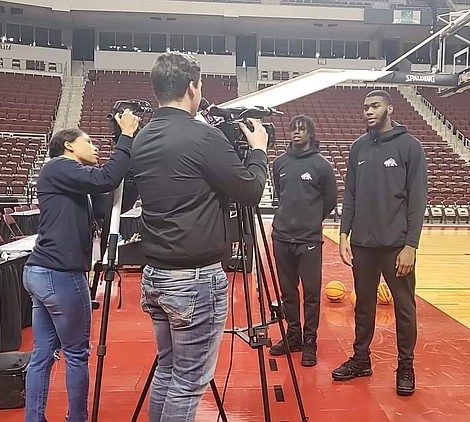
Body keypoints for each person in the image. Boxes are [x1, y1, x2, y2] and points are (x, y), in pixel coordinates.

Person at [130, 52, 269, 422]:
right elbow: (251, 192)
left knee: (168, 369)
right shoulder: (202, 137)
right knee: (189, 382)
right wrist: (258, 151)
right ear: (193, 87)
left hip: (156, 274)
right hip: (194, 280)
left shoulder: (141, 138)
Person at [22, 110, 140, 422]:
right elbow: (106, 178)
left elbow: (111, 201)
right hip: (60, 274)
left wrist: (135, 166)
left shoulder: (71, 182)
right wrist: (125, 136)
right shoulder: (60, 167)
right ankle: (78, 418)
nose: (96, 148)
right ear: (69, 146)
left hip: (42, 272)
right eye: (88, 142)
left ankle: (34, 417)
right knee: (76, 353)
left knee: (43, 353)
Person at [332, 89, 428, 397]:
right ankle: (361, 359)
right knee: (364, 306)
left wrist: (411, 244)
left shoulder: (410, 147)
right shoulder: (358, 147)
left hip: (396, 245)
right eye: (365, 107)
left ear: (390, 108)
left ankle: (406, 366)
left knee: (403, 307)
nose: (368, 111)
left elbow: (417, 200)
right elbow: (351, 195)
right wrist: (344, 233)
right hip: (362, 243)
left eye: (375, 106)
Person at [268, 115, 337, 367]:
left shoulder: (322, 166)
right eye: (293, 129)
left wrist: (310, 220)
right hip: (282, 237)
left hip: (308, 239)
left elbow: (330, 200)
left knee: (311, 293)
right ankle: (293, 336)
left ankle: (310, 341)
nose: (297, 133)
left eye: (302, 129)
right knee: (288, 292)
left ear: (311, 134)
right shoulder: (279, 163)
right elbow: (280, 193)